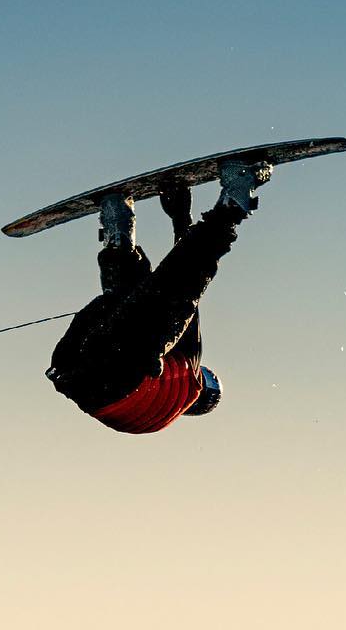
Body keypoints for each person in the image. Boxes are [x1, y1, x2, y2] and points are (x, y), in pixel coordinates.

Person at [45, 158, 271, 434]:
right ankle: (117, 218)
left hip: (115, 378)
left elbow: (183, 287)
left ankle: (238, 192)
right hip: (71, 372)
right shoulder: (163, 400)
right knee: (130, 307)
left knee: (169, 295)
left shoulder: (190, 379)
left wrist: (180, 216)